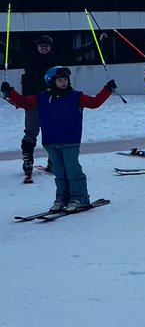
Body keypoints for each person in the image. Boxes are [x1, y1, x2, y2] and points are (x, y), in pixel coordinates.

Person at [2, 67, 116, 210]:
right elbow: (24, 103)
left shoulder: (76, 96)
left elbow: (94, 103)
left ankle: (80, 198)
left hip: (70, 142)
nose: (63, 82)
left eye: (65, 79)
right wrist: (9, 92)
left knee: (73, 171)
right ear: (51, 82)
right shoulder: (42, 97)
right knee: (59, 173)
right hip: (50, 142)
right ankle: (62, 198)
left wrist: (107, 89)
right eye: (60, 80)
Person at [15, 34, 98, 182]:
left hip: (51, 101)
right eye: (41, 46)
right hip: (33, 100)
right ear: (37, 46)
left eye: (46, 46)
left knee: (53, 131)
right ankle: (28, 159)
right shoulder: (28, 58)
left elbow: (76, 53)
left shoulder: (56, 59)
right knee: (31, 131)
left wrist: (97, 43)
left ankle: (53, 161)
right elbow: (10, 53)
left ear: (50, 47)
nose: (44, 48)